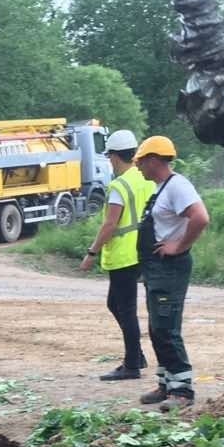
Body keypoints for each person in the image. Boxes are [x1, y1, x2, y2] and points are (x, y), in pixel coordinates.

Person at [133, 135, 209, 410]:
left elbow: (200, 217)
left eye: (140, 162)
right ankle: (166, 383)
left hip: (170, 269)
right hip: (156, 269)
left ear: (153, 160)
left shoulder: (178, 187)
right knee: (157, 328)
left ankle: (182, 391)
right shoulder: (161, 188)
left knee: (167, 327)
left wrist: (179, 246)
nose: (138, 167)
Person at [81, 129, 156, 381]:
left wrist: (92, 252)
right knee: (116, 304)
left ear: (113, 157)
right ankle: (136, 355)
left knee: (125, 309)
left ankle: (132, 364)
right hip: (141, 250)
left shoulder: (119, 185)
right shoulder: (144, 178)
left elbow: (110, 224)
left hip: (124, 254)